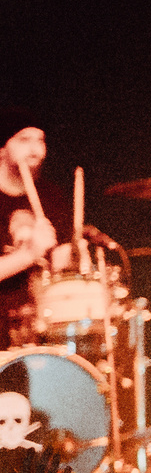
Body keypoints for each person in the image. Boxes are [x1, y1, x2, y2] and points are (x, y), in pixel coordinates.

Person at [0, 109, 63, 322]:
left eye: (40, 141)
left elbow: (61, 264)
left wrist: (70, 255)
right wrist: (27, 255)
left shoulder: (52, 197)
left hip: (43, 323)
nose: (35, 150)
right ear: (2, 149)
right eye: (24, 140)